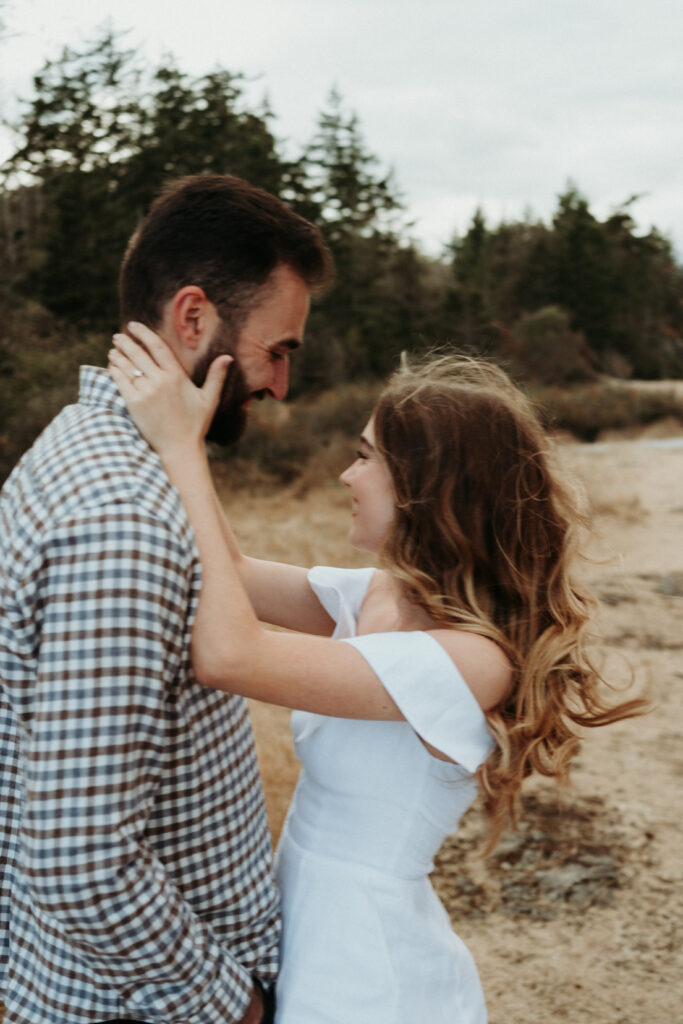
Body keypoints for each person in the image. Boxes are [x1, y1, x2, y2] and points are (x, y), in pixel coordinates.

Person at [107, 332, 646, 1024]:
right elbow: (234, 578)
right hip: (306, 916)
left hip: (365, 966)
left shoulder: (471, 661)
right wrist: (186, 436)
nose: (345, 476)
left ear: (429, 487)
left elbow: (230, 655)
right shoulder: (381, 595)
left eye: (365, 457)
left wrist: (180, 446)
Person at [0, 173, 332, 1024]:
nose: (280, 385)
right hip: (141, 1007)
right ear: (194, 318)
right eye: (279, 348)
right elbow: (79, 857)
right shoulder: (124, 524)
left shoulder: (89, 446)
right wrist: (230, 1005)